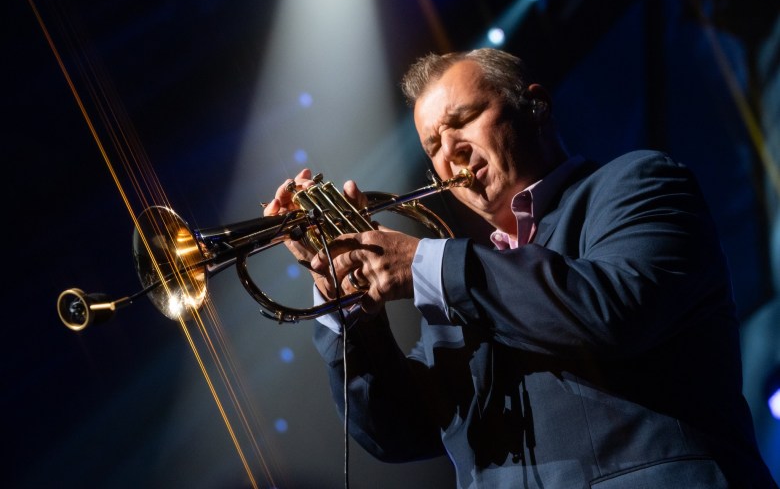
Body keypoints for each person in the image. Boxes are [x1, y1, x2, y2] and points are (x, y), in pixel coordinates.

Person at [263, 48, 778, 488]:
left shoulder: (639, 184)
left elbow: (615, 310)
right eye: (432, 146)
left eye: (461, 121)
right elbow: (396, 432)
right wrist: (345, 301)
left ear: (535, 106)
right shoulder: (461, 282)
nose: (450, 153)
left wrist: (423, 262)